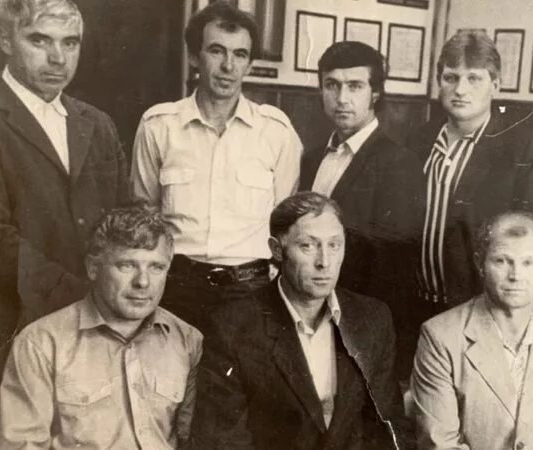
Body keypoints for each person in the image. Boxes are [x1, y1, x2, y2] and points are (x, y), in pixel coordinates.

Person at [0, 0, 131, 446]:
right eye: (40, 40)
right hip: (7, 335)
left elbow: (121, 223)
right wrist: (88, 300)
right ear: (5, 39)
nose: (58, 58)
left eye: (70, 43)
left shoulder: (97, 124)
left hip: (93, 335)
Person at [131, 1, 302, 332]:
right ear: (195, 57)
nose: (228, 66)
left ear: (249, 64)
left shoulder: (276, 132)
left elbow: (284, 221)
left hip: (251, 291)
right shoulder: (159, 126)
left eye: (240, 54)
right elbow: (144, 216)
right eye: (216, 51)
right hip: (176, 286)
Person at [188, 192, 405, 449]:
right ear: (276, 250)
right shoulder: (233, 326)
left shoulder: (372, 318)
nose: (324, 262)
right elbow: (223, 441)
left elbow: (386, 428)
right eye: (308, 246)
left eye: (334, 245)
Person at [0, 206, 203, 449]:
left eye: (156, 267)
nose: (143, 282)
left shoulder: (187, 340)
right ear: (93, 268)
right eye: (127, 265)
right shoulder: (40, 343)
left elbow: (191, 442)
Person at [411, 211, 533, 450]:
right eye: (502, 261)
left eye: (528, 263)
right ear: (480, 263)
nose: (516, 276)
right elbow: (439, 445)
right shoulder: (440, 336)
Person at [299, 40, 424, 377]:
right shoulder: (312, 158)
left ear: (375, 94)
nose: (342, 98)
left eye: (354, 86)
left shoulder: (398, 163)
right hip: (308, 313)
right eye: (332, 85)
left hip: (357, 325)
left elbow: (393, 269)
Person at [407, 30, 533, 311]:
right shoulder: (418, 141)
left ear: (495, 85)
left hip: (482, 310)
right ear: (439, 82)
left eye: (474, 78)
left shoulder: (524, 149)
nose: (460, 90)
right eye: (451, 78)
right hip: (415, 304)